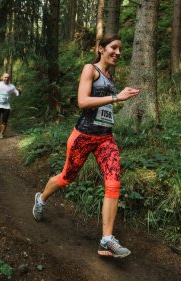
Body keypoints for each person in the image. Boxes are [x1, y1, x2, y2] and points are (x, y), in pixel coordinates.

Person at [32, 34, 140, 258]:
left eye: (120, 49)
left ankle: (107, 239)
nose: (118, 53)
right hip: (83, 136)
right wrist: (115, 98)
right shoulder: (90, 69)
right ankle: (41, 199)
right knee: (66, 177)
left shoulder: (110, 77)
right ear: (101, 49)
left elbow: (105, 108)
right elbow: (82, 102)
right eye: (114, 47)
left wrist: (120, 98)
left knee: (113, 182)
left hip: (105, 138)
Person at [0, 73, 20, 139]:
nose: (6, 78)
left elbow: (18, 94)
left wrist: (20, 91)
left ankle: (1, 134)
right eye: (5, 77)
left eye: (8, 77)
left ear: (9, 78)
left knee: (4, 121)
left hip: (6, 106)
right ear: (2, 77)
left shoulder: (12, 86)